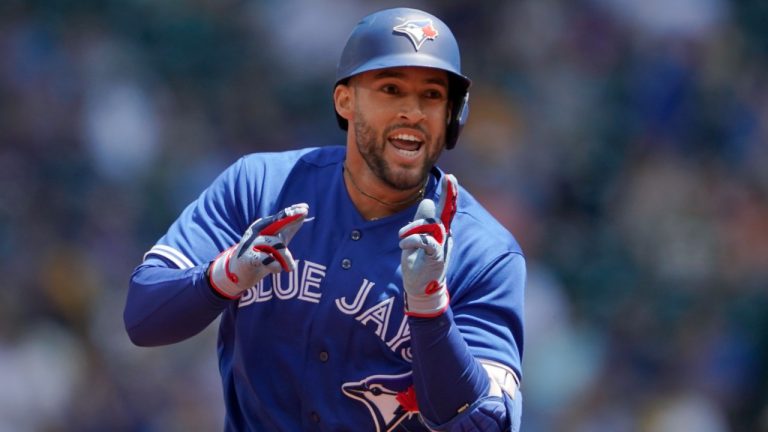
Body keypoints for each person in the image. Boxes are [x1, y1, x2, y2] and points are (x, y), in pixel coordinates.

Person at [124, 7, 525, 431]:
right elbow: (143, 316)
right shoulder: (262, 187)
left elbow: (489, 424)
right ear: (345, 100)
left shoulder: (484, 252)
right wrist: (222, 277)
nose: (413, 112)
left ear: (451, 116)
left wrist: (429, 308)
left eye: (432, 95)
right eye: (390, 89)